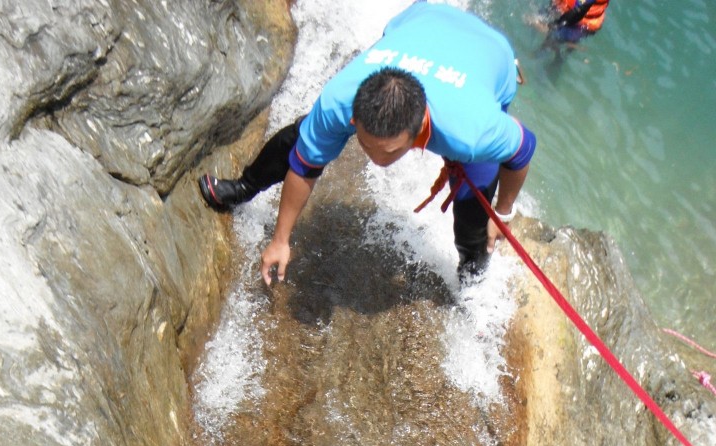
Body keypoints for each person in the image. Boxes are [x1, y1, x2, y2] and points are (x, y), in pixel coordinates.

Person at [199, 2, 536, 284]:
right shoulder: (341, 99)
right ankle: (244, 187)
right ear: (354, 119)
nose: (376, 159)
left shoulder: (471, 131)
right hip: (421, 20)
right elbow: (305, 166)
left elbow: (523, 148)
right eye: (366, 145)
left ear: (419, 131)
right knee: (304, 136)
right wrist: (280, 239)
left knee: (473, 216)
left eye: (388, 152)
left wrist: (503, 213)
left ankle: (472, 281)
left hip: (491, 54)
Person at [545, 0, 611, 44]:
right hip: (565, 8)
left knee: (554, 39)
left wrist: (555, 25)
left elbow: (579, 11)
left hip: (582, 22)